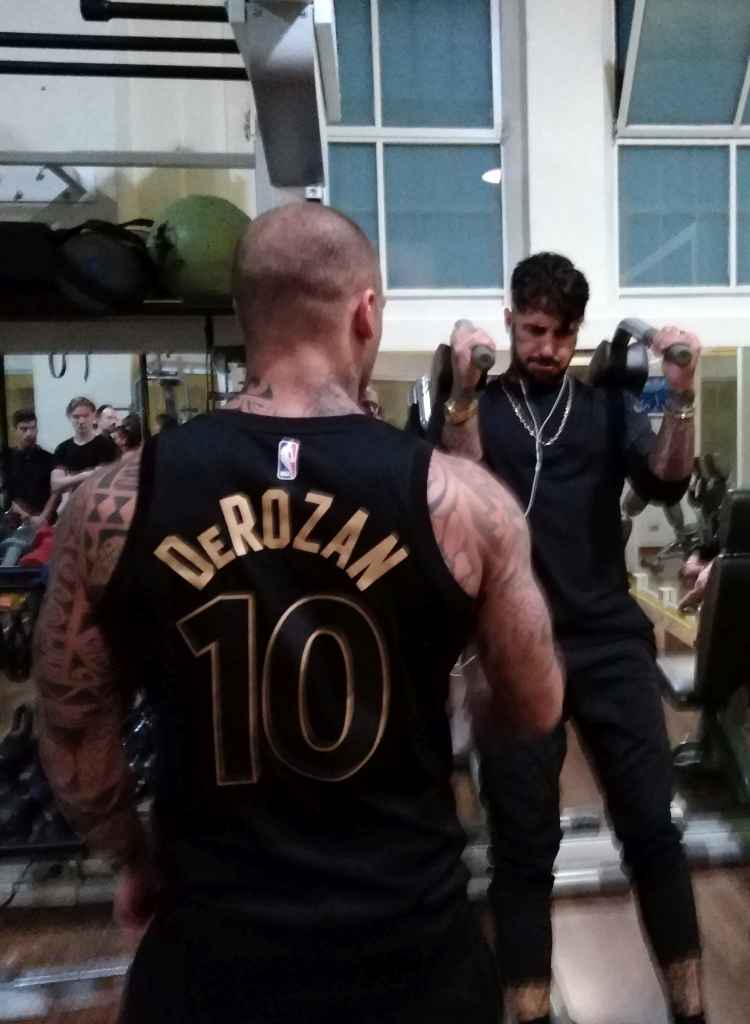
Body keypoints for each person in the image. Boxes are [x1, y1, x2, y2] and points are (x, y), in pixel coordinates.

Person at [33, 204, 564, 1024]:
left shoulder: (112, 502)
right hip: (412, 955)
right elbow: (535, 703)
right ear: (366, 313)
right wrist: (465, 706)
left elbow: (75, 733)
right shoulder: (467, 503)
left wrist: (131, 857)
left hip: (210, 959)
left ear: (245, 316)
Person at [439, 252, 705, 1024]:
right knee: (524, 848)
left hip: (608, 639)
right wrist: (462, 394)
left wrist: (681, 397)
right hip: (513, 645)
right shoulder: (481, 407)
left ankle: (692, 1012)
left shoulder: (606, 408)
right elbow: (462, 489)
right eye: (533, 330)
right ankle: (528, 1013)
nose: (547, 347)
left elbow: (667, 479)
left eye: (561, 333)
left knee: (653, 829)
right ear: (510, 320)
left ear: (579, 332)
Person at [51, 397, 119, 502]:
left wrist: (69, 479)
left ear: (94, 416)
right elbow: (55, 485)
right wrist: (86, 474)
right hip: (72, 506)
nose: (81, 421)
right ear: (69, 417)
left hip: (99, 504)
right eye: (76, 417)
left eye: (86, 416)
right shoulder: (62, 448)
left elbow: (104, 479)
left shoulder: (107, 445)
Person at [4, 409, 58, 526]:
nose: (29, 433)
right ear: (15, 430)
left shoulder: (49, 458)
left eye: (33, 428)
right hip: (14, 522)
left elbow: (55, 492)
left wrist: (43, 517)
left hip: (44, 520)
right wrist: (26, 516)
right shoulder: (6, 458)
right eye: (24, 429)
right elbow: (7, 491)